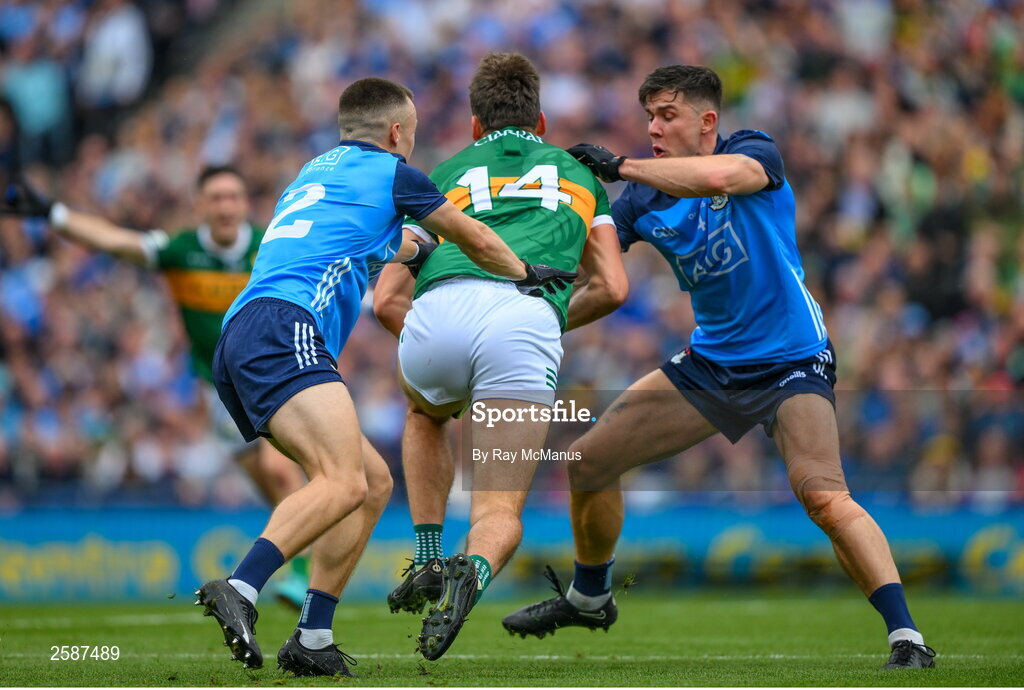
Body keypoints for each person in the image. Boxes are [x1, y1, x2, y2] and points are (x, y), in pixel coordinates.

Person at [501, 65, 936, 671]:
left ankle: (907, 638)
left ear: (708, 121)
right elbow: (578, 263)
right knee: (589, 463)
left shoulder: (751, 151)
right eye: (649, 115)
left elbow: (720, 177)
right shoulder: (640, 201)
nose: (653, 126)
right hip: (710, 366)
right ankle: (590, 596)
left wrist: (620, 165)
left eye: (667, 114)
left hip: (792, 361)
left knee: (823, 496)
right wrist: (496, 261)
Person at [195, 76, 574, 677]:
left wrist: (424, 258)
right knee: (343, 481)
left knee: (371, 483)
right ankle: (241, 587)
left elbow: (392, 246)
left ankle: (313, 635)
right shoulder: (396, 175)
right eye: (414, 134)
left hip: (244, 331)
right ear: (398, 132)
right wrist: (524, 270)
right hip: (285, 327)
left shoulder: (316, 172)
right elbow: (472, 234)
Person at [372, 52, 628, 662]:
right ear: (540, 120)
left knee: (426, 413)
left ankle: (428, 555)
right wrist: (549, 317)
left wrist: (441, 352)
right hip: (524, 322)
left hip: (437, 314)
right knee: (497, 511)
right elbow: (614, 288)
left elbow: (385, 303)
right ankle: (474, 567)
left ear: (473, 125)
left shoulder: (442, 171)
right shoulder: (580, 175)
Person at [1, 166, 312, 607]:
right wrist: (54, 213)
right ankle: (300, 553)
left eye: (233, 197)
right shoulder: (181, 250)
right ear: (200, 206)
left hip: (271, 377)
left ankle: (299, 573)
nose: (225, 206)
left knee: (283, 473)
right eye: (216, 198)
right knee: (267, 482)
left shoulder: (269, 246)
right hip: (219, 391)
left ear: (245, 204)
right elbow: (114, 240)